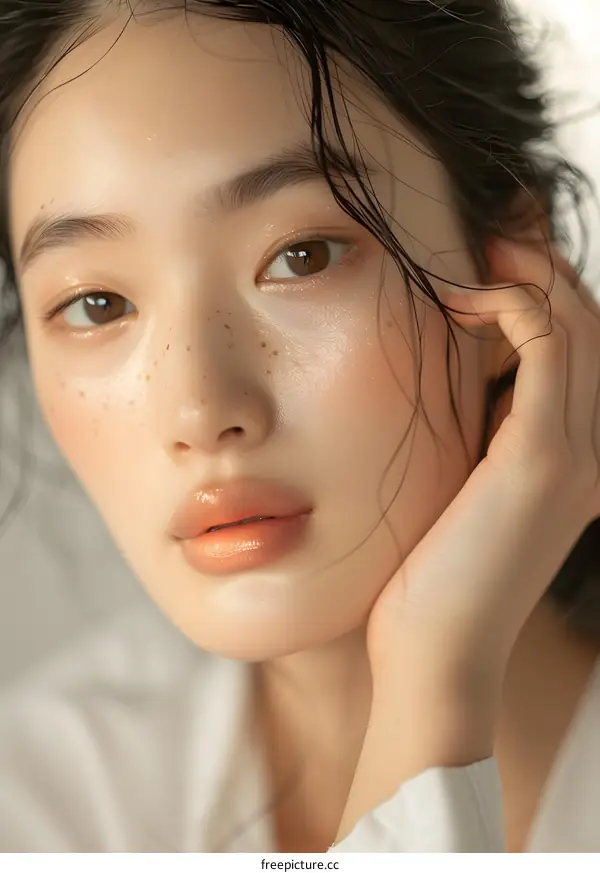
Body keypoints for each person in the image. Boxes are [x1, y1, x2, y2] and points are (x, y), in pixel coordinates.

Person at [0, 0, 599, 854]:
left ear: (517, 274)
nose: (203, 411)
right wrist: (434, 676)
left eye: (301, 256)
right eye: (98, 303)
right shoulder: (40, 802)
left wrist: (438, 668)